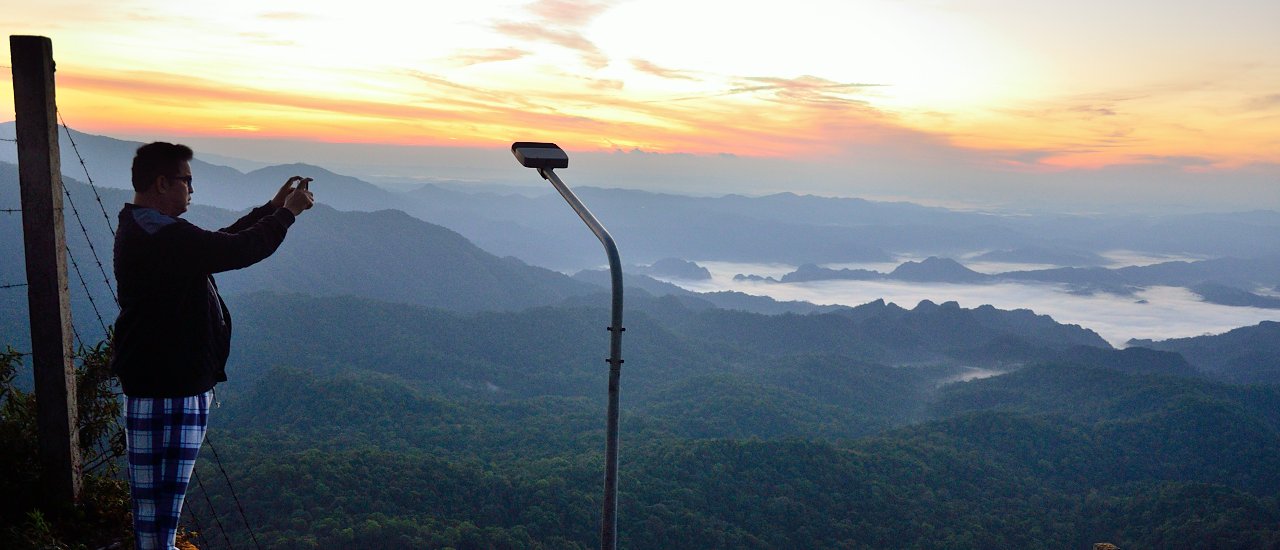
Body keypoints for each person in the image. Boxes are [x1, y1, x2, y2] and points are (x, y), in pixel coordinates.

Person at [109, 142, 314, 550]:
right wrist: (288, 214)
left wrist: (270, 209)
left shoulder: (146, 227)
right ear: (162, 182)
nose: (191, 190)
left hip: (153, 382)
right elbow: (237, 250)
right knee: (163, 510)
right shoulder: (160, 235)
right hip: (173, 388)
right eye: (187, 181)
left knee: (153, 510)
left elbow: (216, 243)